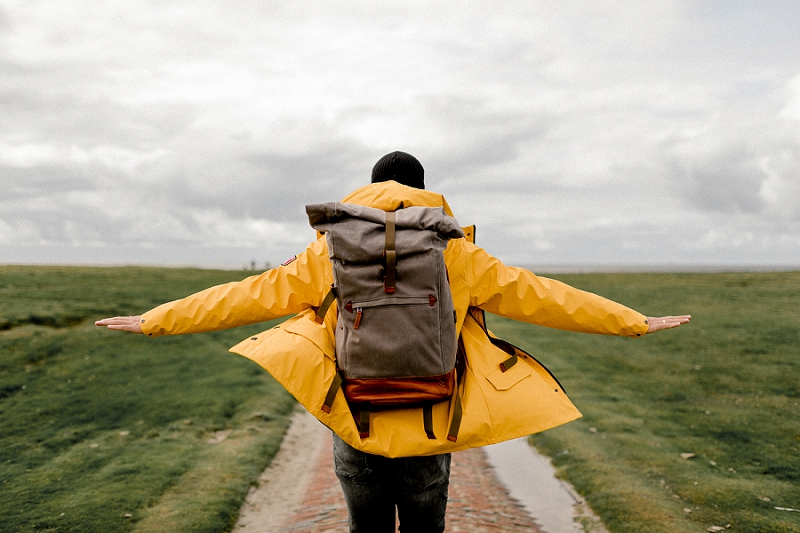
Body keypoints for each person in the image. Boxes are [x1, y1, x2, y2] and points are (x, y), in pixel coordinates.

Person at [97, 151, 690, 533]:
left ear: (371, 189)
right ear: (425, 193)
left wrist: (156, 319)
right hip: (432, 417)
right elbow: (547, 296)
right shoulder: (456, 251)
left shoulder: (329, 250)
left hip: (355, 416)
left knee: (367, 528)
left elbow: (243, 296)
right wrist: (634, 320)